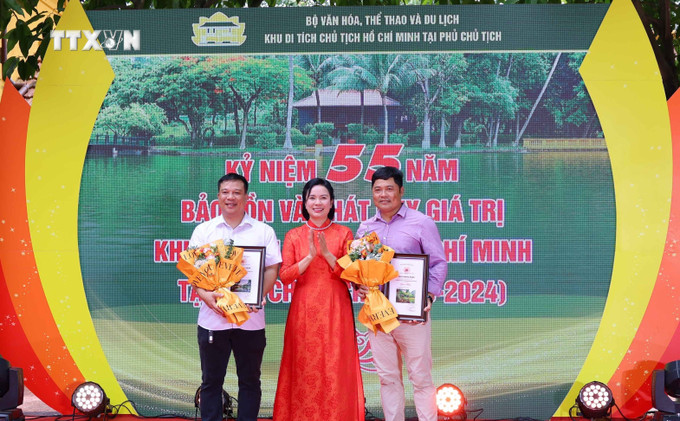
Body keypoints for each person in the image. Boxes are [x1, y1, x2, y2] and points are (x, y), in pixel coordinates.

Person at [356, 166, 447, 421]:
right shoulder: (365, 228)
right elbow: (360, 269)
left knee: (421, 377)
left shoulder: (421, 223)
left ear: (401, 191)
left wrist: (428, 296)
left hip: (412, 315)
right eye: (378, 189)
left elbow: (438, 263)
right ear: (372, 193)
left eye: (389, 188)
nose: (383, 194)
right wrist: (359, 286)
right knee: (387, 378)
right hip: (378, 315)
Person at [189, 173, 281, 421]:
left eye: (237, 192)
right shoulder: (204, 231)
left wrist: (258, 295)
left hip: (250, 321)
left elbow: (272, 269)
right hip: (213, 319)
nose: (231, 197)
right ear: (218, 196)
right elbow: (194, 272)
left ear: (247, 197)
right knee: (211, 382)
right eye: (226, 192)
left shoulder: (263, 231)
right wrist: (206, 296)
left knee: (250, 381)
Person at [273, 178, 365, 421]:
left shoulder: (344, 233)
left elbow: (351, 275)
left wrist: (326, 254)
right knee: (303, 365)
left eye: (323, 198)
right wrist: (309, 257)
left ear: (332, 202)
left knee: (335, 364)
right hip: (304, 309)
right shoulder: (294, 235)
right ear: (304, 203)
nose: (318, 203)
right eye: (312, 198)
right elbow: (285, 276)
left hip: (336, 308)